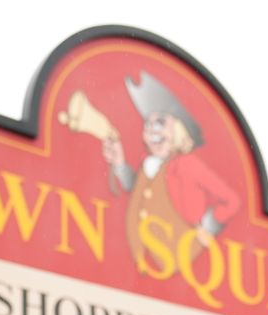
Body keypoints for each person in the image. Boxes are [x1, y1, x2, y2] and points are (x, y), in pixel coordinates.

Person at [101, 71, 239, 266]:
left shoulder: (187, 164)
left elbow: (232, 200)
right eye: (148, 122)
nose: (151, 128)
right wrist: (120, 164)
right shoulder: (147, 163)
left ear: (180, 130)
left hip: (176, 255)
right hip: (143, 262)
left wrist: (208, 226)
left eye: (161, 122)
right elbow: (139, 191)